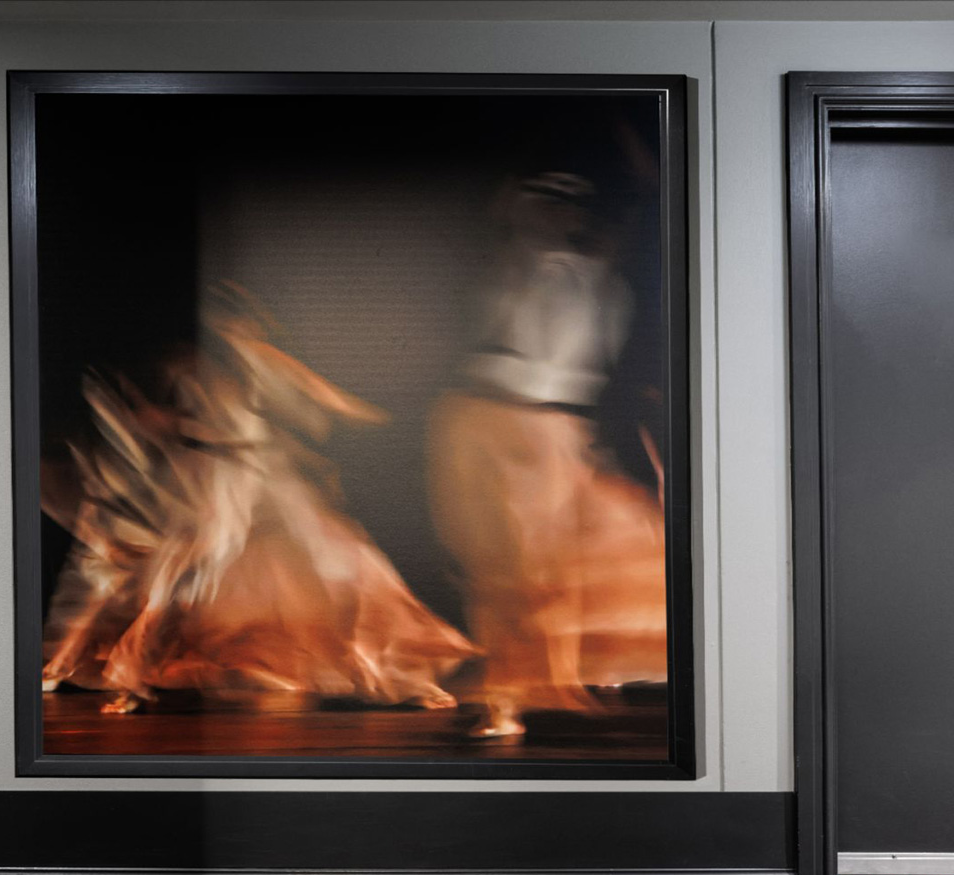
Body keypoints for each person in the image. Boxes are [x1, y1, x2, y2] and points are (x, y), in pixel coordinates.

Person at [41, 284, 474, 713]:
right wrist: (155, 421)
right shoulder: (187, 365)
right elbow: (165, 423)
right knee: (180, 578)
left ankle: (403, 680)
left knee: (341, 570)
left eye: (237, 323)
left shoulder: (262, 361)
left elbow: (321, 396)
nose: (233, 330)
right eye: (224, 323)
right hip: (213, 478)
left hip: (263, 479)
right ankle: (129, 680)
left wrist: (377, 413)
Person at [427, 171, 668, 739]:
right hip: (481, 419)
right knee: (495, 567)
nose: (554, 213)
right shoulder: (503, 270)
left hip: (541, 428)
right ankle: (518, 690)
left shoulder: (595, 280)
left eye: (565, 204)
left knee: (534, 569)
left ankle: (523, 692)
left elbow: (586, 366)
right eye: (542, 201)